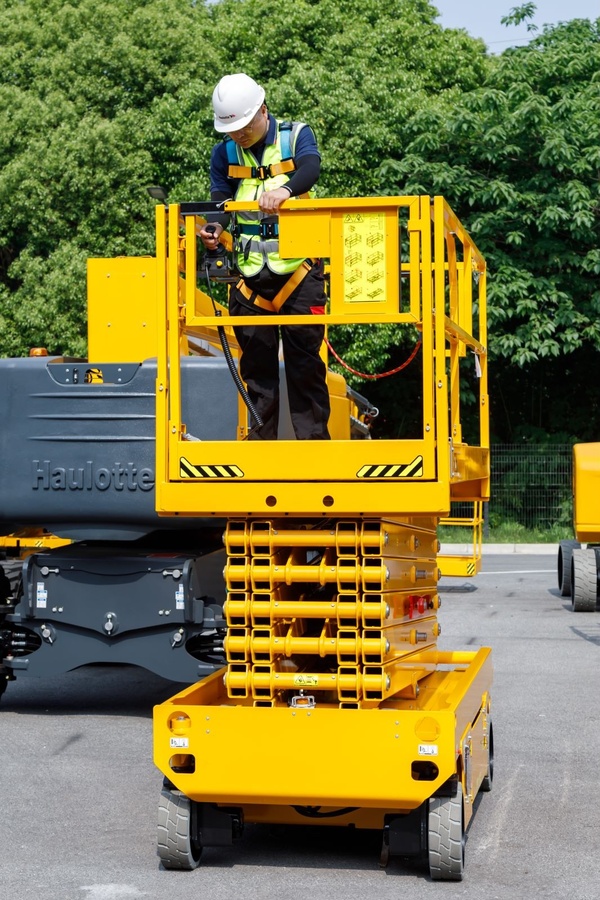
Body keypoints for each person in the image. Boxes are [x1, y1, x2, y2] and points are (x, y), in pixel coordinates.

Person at [199, 73, 330, 441]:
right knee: (257, 371)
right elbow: (220, 199)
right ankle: (260, 448)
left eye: (244, 126)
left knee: (305, 366)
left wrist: (286, 190)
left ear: (263, 110)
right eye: (232, 130)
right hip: (250, 277)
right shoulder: (223, 153)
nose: (239, 135)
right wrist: (214, 227)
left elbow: (311, 168)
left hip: (298, 273)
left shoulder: (295, 136)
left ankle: (315, 449)